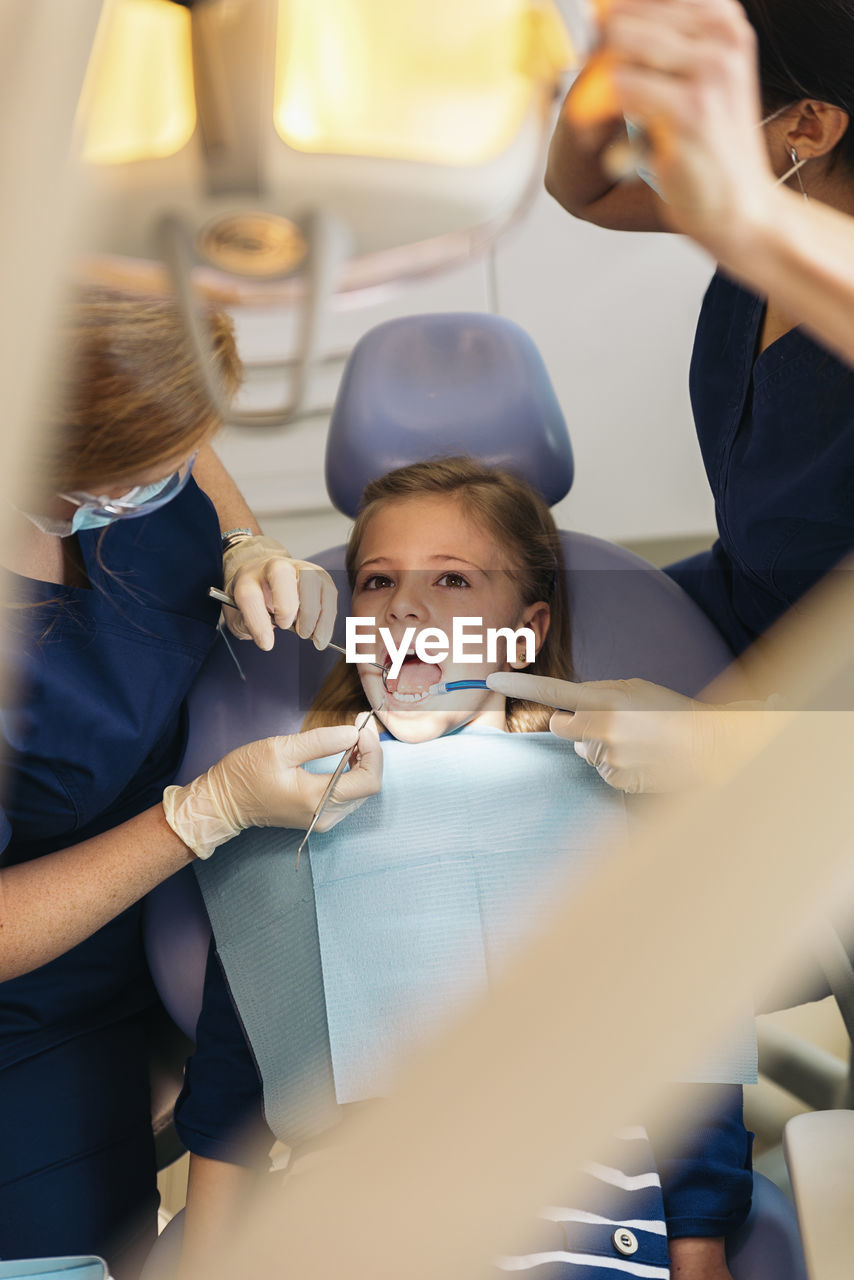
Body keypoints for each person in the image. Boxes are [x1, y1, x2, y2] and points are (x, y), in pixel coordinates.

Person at [175, 458, 752, 1280]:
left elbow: (690, 1058)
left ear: (530, 623)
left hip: (587, 1229)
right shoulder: (293, 814)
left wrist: (698, 1253)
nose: (406, 604)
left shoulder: (619, 797)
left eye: (452, 578)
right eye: (376, 581)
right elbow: (233, 1092)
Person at [0, 291, 381, 1276]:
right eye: (135, 476)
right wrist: (201, 815)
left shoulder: (123, 423)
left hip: (179, 896)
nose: (165, 485)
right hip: (34, 994)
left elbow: (180, 447)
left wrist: (242, 540)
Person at [510, 0, 854, 792]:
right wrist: (611, 59)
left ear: (806, 124)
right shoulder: (777, 208)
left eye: (687, 84)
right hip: (740, 597)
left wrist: (724, 746)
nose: (647, 113)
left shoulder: (770, 223)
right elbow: (584, 190)